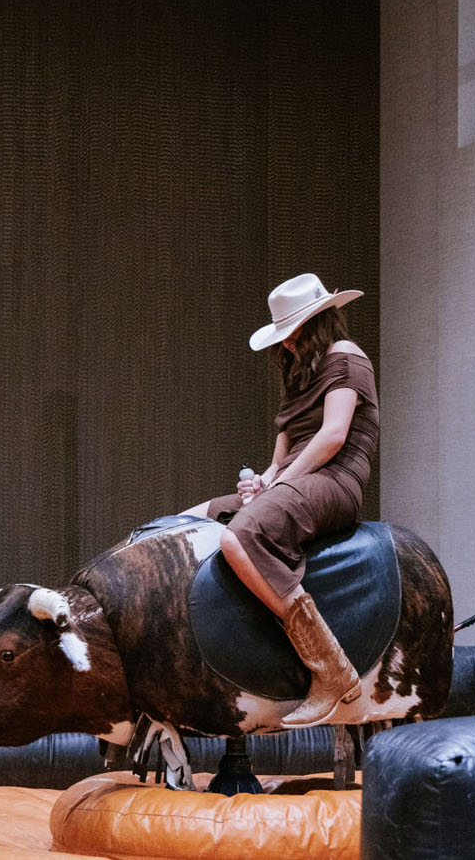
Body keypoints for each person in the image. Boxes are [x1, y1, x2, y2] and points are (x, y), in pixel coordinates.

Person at [183, 272, 379, 728]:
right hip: (297, 479)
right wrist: (264, 481)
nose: (287, 343)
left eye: (293, 332)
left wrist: (281, 482)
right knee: (190, 521)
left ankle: (332, 669)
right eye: (283, 336)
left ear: (317, 323)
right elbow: (283, 449)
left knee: (238, 537)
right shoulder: (300, 369)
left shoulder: (347, 356)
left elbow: (332, 436)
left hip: (335, 480)